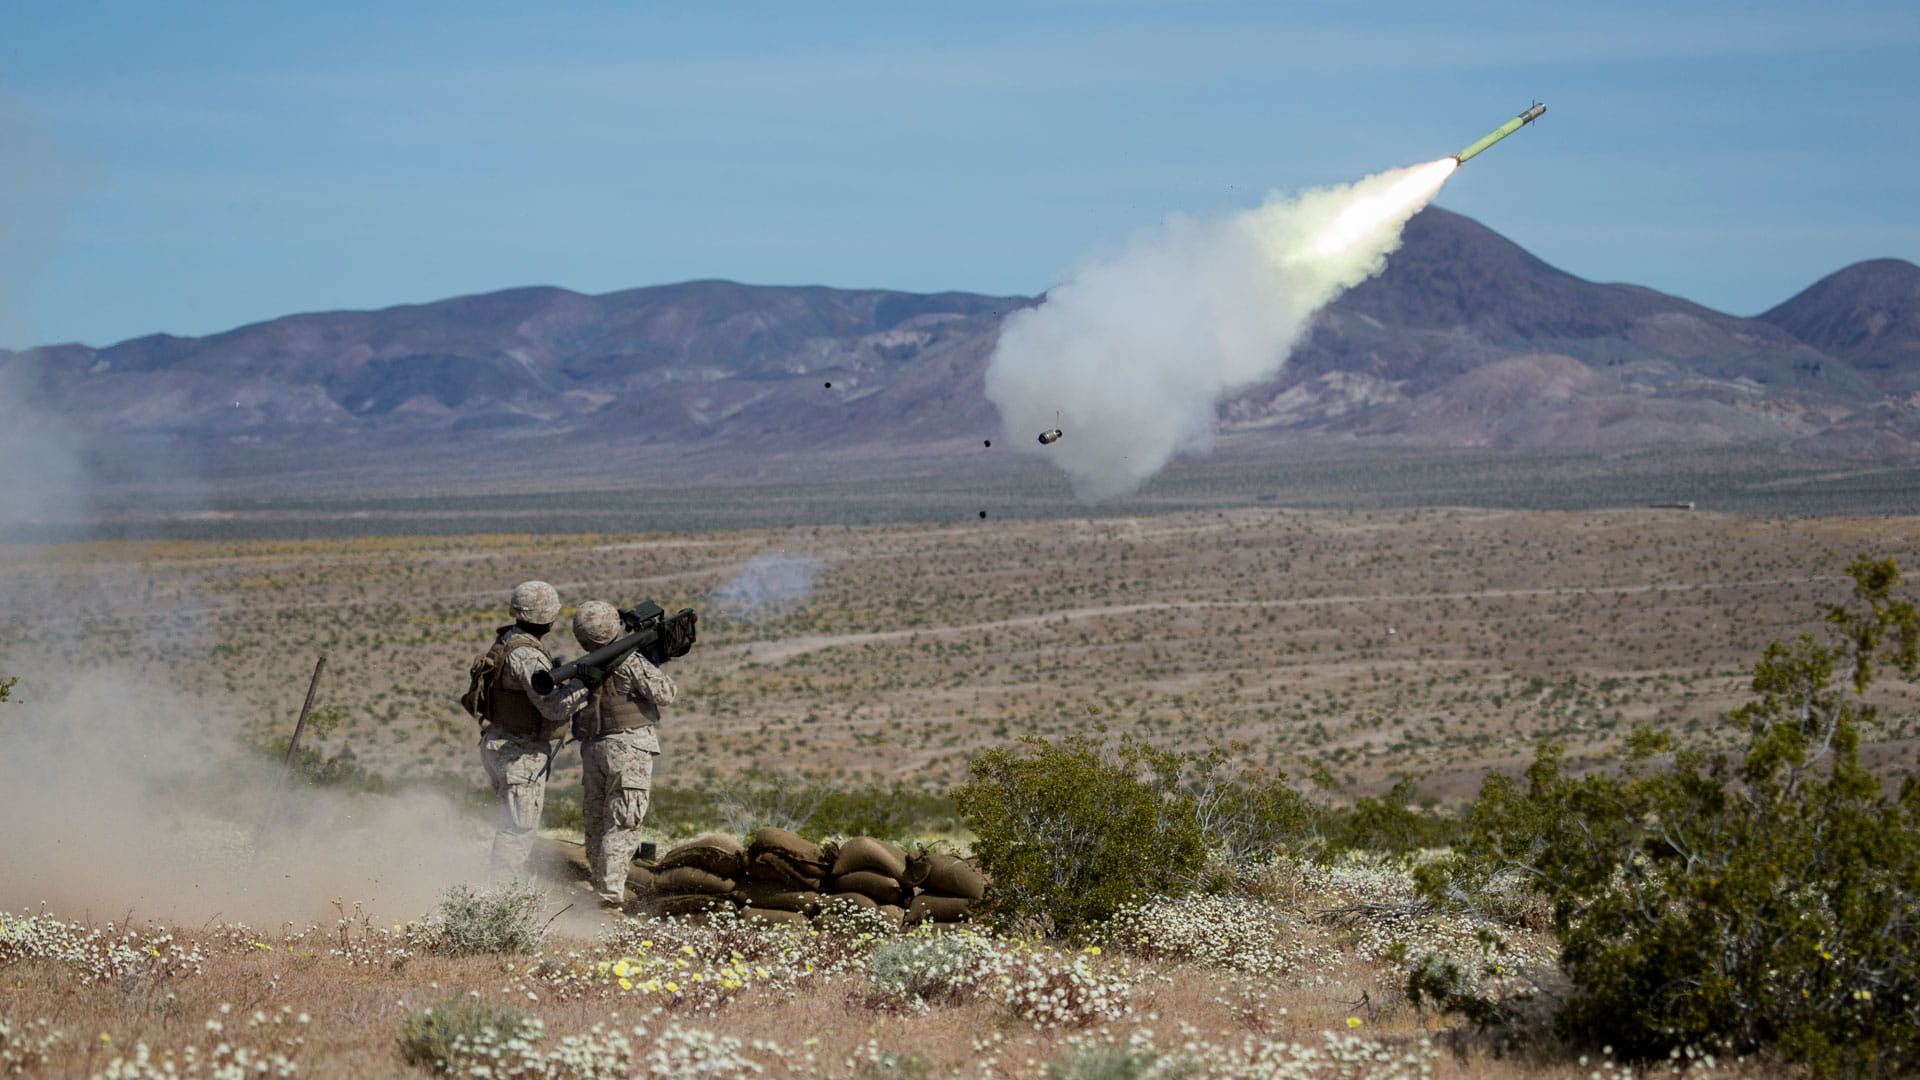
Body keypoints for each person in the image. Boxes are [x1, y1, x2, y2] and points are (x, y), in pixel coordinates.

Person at [570, 599, 676, 908]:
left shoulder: (585, 665)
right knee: (623, 823)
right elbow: (665, 693)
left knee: (597, 822)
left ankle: (598, 884)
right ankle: (609, 898)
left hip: (594, 749)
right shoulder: (628, 660)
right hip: (628, 749)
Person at [475, 580, 581, 879]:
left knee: (510, 825)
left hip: (500, 743)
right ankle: (500, 901)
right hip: (518, 752)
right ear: (548, 616)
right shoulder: (528, 655)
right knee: (517, 831)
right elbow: (553, 708)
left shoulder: (508, 639)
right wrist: (581, 687)